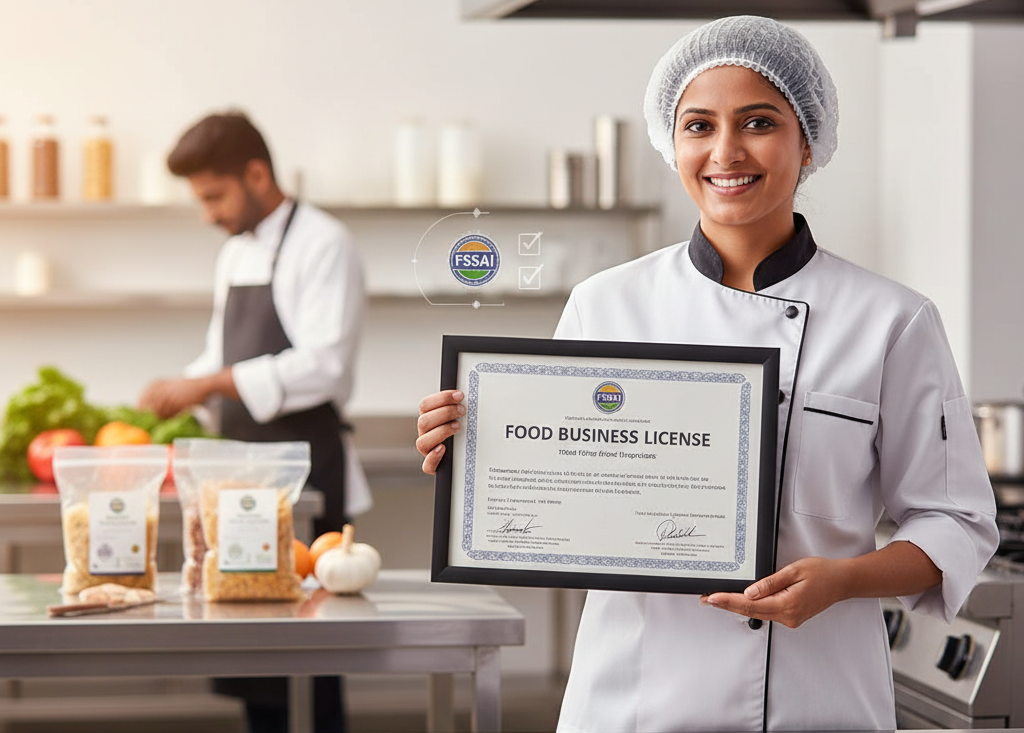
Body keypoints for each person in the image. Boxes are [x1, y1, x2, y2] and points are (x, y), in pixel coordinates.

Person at [416, 16, 998, 732]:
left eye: (758, 122)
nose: (726, 151)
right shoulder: (606, 304)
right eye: (698, 126)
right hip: (632, 702)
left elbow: (957, 523)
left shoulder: (892, 320)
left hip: (815, 700)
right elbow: (560, 495)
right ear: (672, 143)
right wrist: (475, 450)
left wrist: (844, 578)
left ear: (807, 139)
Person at [139, 111, 368, 733]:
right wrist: (176, 391)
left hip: (304, 463)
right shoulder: (234, 253)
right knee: (247, 632)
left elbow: (323, 364)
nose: (208, 213)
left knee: (309, 645)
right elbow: (219, 356)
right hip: (238, 465)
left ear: (257, 174)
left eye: (214, 196)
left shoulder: (325, 242)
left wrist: (208, 383)